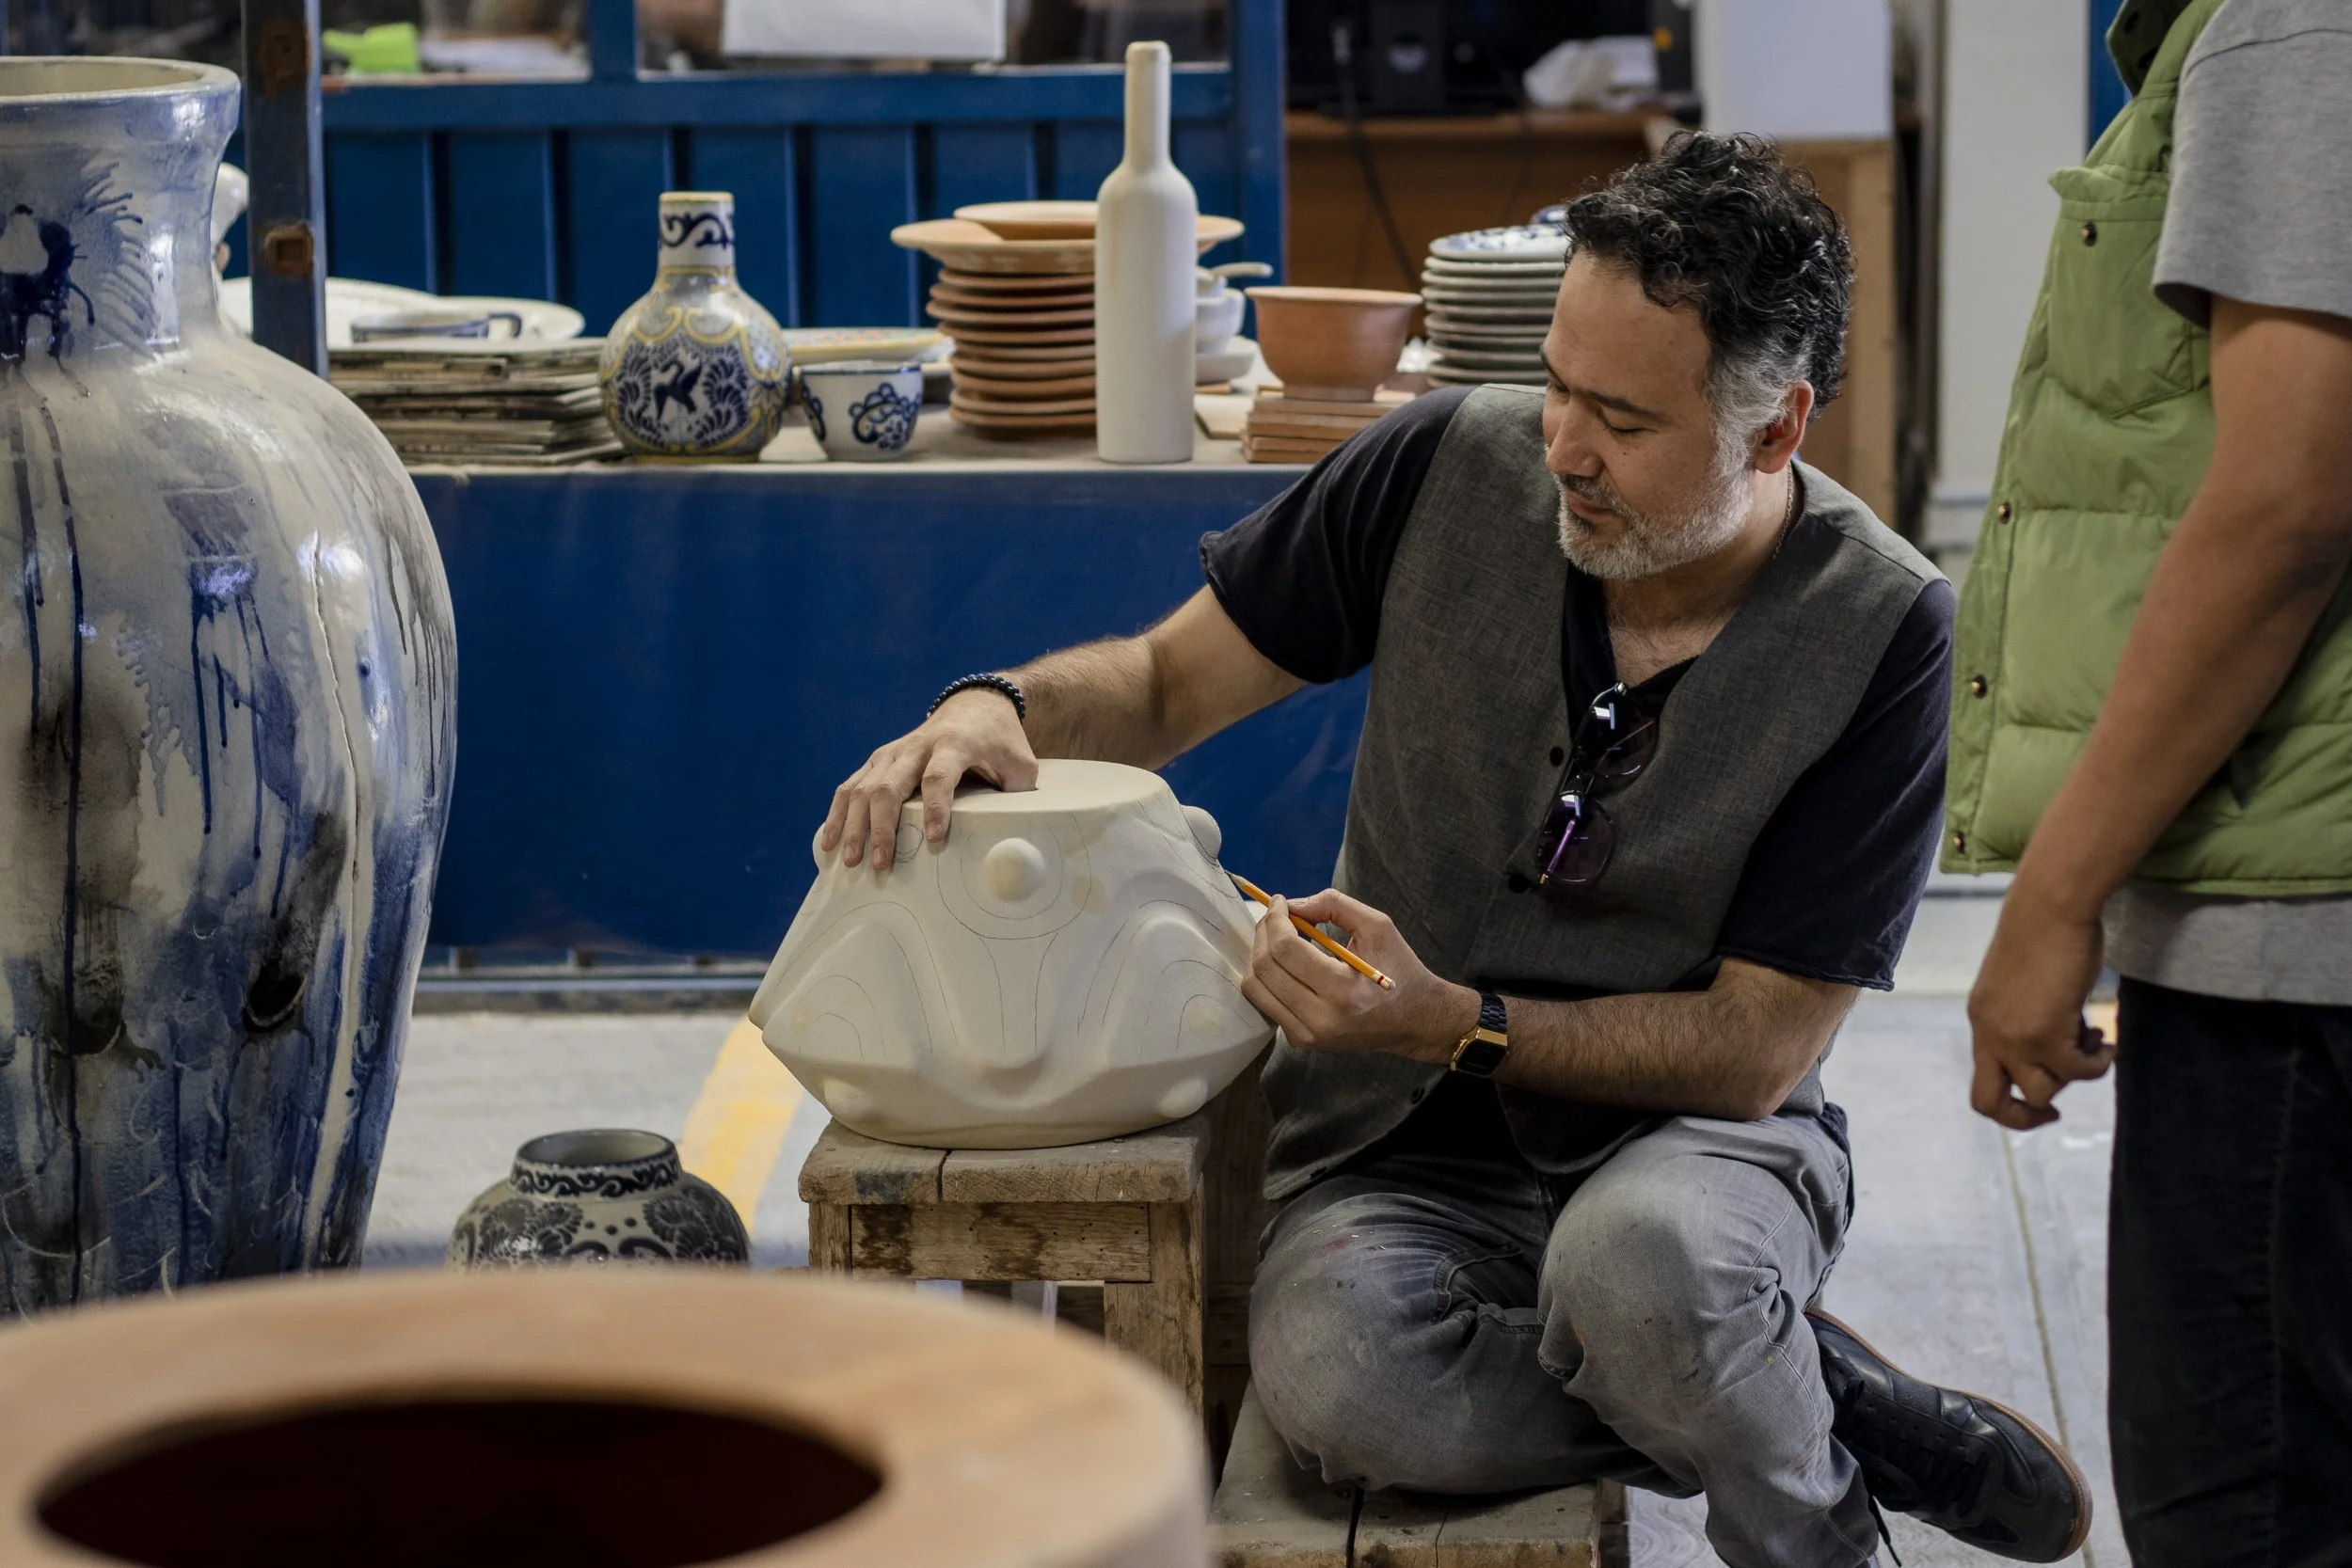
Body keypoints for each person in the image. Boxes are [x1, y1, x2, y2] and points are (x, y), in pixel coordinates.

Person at [824, 134, 2087, 1568]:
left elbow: (1755, 1049)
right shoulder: (1441, 462)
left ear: (1775, 429)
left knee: (1649, 1270)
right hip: (1390, 1149)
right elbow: (1168, 684)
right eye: (1557, 384)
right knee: (1349, 1387)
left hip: (1691, 1145)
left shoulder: (1883, 630)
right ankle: (1786, 1385)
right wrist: (994, 704)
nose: (1563, 447)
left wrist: (1454, 1022)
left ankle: (1802, 1505)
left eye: (1623, 418)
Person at [1950, 1, 2352, 1563]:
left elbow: (2287, 501)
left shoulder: (2296, 25)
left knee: (2248, 1515)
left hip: (2296, 944)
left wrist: (2057, 895)